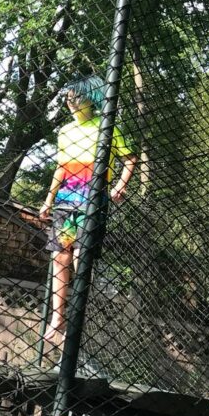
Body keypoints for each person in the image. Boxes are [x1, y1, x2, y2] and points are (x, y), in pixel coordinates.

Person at [39, 75, 137, 344]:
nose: (71, 102)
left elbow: (130, 159)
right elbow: (60, 167)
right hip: (65, 201)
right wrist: (48, 200)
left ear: (91, 99)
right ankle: (57, 317)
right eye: (68, 98)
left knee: (83, 255)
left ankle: (77, 317)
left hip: (93, 200)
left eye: (77, 97)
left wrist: (119, 185)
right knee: (60, 256)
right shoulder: (64, 132)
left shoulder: (107, 127)